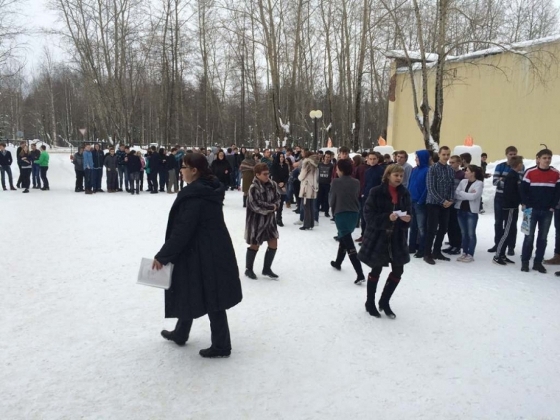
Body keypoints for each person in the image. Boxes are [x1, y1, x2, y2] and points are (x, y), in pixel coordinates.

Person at [154, 153, 242, 358]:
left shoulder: (195, 196)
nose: (181, 171)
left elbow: (183, 231)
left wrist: (163, 255)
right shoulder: (208, 188)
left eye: (184, 167)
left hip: (202, 251)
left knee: (212, 295)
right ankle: (181, 332)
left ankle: (221, 345)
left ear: (195, 170)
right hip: (210, 248)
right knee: (193, 288)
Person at [358, 164, 412, 319]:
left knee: (398, 271)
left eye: (401, 176)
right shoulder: (376, 192)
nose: (399, 178)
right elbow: (368, 215)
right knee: (376, 270)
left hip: (397, 237)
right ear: (388, 175)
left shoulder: (405, 193)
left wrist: (407, 219)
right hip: (378, 237)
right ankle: (370, 302)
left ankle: (384, 301)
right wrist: (387, 218)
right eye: (396, 175)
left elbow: (409, 214)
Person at [520, 148, 560, 273]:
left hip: (547, 211)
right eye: (544, 158)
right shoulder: (530, 172)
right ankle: (525, 262)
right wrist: (526, 204)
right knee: (528, 237)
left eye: (549, 158)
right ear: (538, 159)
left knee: (543, 238)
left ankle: (538, 262)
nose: (547, 160)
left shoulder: (556, 174)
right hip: (530, 211)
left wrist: (552, 205)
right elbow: (522, 190)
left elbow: (558, 192)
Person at [330, 158, 364, 284]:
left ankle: (360, 273)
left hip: (341, 213)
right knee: (344, 238)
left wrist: (333, 210)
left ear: (341, 170)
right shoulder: (356, 182)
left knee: (349, 244)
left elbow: (331, 198)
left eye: (337, 169)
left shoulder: (336, 182)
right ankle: (338, 262)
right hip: (354, 214)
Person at [245, 163, 281, 280]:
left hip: (270, 221)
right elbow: (255, 205)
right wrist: (271, 207)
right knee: (255, 244)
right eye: (264, 174)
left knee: (273, 243)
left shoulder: (273, 185)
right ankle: (248, 269)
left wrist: (275, 205)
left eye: (268, 173)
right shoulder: (253, 188)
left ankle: (266, 269)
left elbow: (278, 198)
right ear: (257, 174)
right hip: (256, 222)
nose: (267, 176)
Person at [424, 146, 454, 265]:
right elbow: (431, 188)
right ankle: (427, 253)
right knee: (431, 229)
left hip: (446, 204)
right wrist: (442, 201)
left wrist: (450, 199)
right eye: (444, 154)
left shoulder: (450, 169)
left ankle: (437, 251)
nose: (446, 157)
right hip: (433, 203)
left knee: (443, 228)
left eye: (448, 154)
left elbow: (452, 186)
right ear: (439, 155)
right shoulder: (433, 169)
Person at [489, 146, 521, 254]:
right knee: (498, 222)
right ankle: (498, 244)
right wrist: (509, 183)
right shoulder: (500, 166)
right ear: (506, 155)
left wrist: (504, 181)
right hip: (500, 197)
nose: (513, 156)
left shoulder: (520, 166)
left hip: (513, 199)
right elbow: (494, 181)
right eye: (510, 154)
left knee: (511, 223)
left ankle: (511, 246)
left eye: (514, 154)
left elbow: (520, 182)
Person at [493, 156, 524, 265]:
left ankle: (502, 254)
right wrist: (519, 202)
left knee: (509, 230)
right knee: (506, 232)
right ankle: (497, 255)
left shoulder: (513, 175)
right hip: (510, 207)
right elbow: (511, 193)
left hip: (512, 206)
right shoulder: (512, 176)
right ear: (518, 164)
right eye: (521, 163)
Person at [454, 165, 484, 262]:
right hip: (461, 210)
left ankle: (470, 254)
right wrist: (466, 194)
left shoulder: (479, 183)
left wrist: (462, 193)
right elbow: (456, 194)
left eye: (467, 171)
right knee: (464, 233)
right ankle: (464, 252)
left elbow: (474, 196)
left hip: (471, 212)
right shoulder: (463, 181)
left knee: (471, 233)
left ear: (473, 173)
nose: (465, 172)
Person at [407, 150, 431, 258]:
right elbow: (410, 183)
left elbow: (427, 188)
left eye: (417, 157)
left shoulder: (428, 170)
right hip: (411, 200)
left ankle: (422, 248)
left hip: (420, 202)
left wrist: (421, 200)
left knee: (421, 227)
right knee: (413, 226)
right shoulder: (414, 169)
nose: (416, 159)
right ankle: (412, 246)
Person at [442, 155, 465, 255]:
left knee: (456, 225)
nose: (451, 164)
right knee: (449, 225)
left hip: (457, 203)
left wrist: (454, 199)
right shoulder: (447, 173)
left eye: (453, 162)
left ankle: (457, 245)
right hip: (448, 202)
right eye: (450, 162)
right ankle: (452, 243)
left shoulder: (462, 175)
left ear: (459, 163)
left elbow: (461, 190)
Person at [298, 151, 319, 230]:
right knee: (310, 206)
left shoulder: (307, 163)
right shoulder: (315, 163)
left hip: (306, 186)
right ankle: (311, 223)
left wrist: (299, 177)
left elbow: (302, 176)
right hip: (313, 186)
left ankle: (306, 224)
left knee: (306, 206)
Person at [271, 152, 289, 227]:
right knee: (276, 202)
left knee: (281, 203)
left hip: (284, 185)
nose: (281, 158)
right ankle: (275, 218)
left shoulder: (285, 165)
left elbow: (287, 175)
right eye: (280, 156)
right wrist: (280, 184)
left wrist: (284, 183)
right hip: (276, 185)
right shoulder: (274, 165)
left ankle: (279, 218)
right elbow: (274, 175)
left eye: (283, 156)